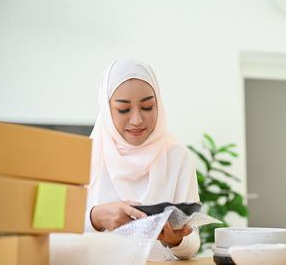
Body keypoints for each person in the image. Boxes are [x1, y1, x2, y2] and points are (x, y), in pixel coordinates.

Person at [84, 58, 200, 260]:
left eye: (147, 107)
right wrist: (95, 218)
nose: (137, 120)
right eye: (123, 110)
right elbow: (54, 233)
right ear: (106, 108)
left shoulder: (176, 156)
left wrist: (176, 241)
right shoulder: (86, 156)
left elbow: (192, 244)